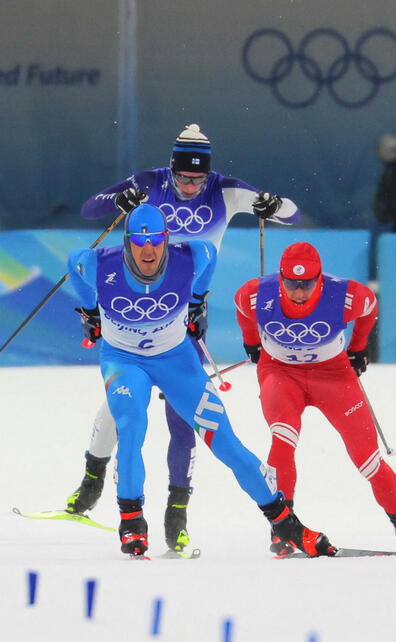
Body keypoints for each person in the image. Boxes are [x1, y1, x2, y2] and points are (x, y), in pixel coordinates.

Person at [65, 123, 300, 554]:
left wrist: (272, 204)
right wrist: (118, 200)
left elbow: (292, 213)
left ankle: (177, 511)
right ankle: (94, 479)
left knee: (186, 419)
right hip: (131, 320)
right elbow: (89, 209)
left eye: (198, 179)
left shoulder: (225, 191)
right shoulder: (150, 183)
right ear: (171, 170)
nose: (190, 186)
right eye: (183, 178)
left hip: (182, 313)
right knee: (124, 411)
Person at [234, 241, 396, 554]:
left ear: (319, 278)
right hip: (280, 373)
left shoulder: (346, 295)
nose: (299, 292)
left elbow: (370, 307)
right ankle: (283, 528)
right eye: (291, 284)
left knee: (368, 459)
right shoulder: (255, 294)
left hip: (333, 376)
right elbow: (242, 309)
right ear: (281, 279)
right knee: (283, 438)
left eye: (306, 284)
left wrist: (359, 347)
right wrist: (251, 342)